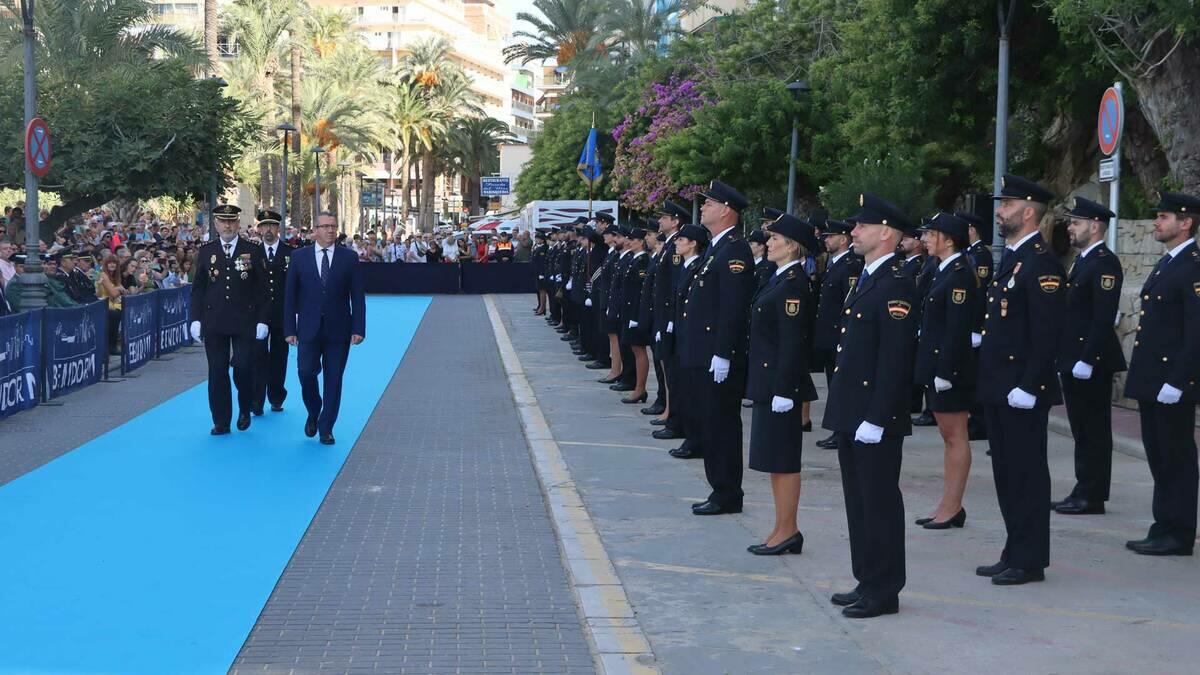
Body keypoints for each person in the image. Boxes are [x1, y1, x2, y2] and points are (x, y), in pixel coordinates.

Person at [823, 192, 915, 619]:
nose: (852, 232)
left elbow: (894, 362)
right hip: (852, 411)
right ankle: (866, 579)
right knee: (858, 503)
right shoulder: (868, 277)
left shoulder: (895, 284)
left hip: (873, 417)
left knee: (878, 504)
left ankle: (884, 589)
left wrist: (877, 418)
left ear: (886, 233)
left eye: (861, 226)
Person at [976, 175, 1066, 585]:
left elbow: (1047, 333)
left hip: (1021, 390)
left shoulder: (1040, 261)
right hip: (1001, 387)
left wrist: (1030, 385)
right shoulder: (1014, 257)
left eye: (1007, 204)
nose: (999, 210)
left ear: (1029, 211)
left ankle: (1029, 559)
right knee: (1007, 474)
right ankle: (1014, 549)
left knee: (1027, 475)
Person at [1122, 191, 1200, 556]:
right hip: (1155, 380)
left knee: (1177, 457)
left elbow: (1196, 330)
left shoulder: (1193, 266)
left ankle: (1179, 531)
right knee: (1159, 455)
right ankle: (1163, 525)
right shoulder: (1169, 262)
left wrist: (1179, 381)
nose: (1156, 221)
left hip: (1172, 383)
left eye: (1164, 216)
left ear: (1186, 222)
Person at [746, 214, 819, 555]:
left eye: (774, 239)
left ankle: (788, 530)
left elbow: (793, 342)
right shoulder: (779, 278)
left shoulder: (793, 284)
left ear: (791, 245)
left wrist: (785, 390)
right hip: (768, 381)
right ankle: (781, 527)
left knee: (785, 460)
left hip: (781, 386)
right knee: (774, 460)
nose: (769, 243)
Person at [681, 180, 755, 516]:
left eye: (709, 204)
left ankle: (727, 493)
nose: (704, 208)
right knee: (710, 422)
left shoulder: (735, 251)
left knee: (721, 424)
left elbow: (733, 307)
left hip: (716, 355)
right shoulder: (717, 247)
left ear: (726, 210)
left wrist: (723, 352)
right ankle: (719, 489)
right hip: (703, 352)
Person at [1051, 197, 1125, 516]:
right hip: (1075, 358)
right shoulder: (1082, 260)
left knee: (1093, 429)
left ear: (1095, 226)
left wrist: (1088, 358)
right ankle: (1083, 488)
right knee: (1081, 428)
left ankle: (1092, 494)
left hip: (1090, 361)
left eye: (1076, 223)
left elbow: (1102, 317)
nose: (1070, 228)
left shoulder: (1104, 262)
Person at [912, 213, 977, 529]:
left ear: (949, 239)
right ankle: (947, 505)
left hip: (950, 370)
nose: (924, 239)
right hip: (936, 365)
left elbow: (957, 328)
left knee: (955, 436)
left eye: (931, 234)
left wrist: (946, 371)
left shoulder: (960, 273)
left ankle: (952, 507)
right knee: (947, 436)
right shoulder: (943, 269)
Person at [283, 211, 366, 445]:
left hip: (339, 329)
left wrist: (358, 327)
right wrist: (289, 328)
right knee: (305, 372)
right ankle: (314, 409)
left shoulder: (349, 258)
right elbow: (290, 295)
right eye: (325, 226)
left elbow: (357, 296)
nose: (331, 230)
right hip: (307, 328)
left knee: (334, 378)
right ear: (315, 230)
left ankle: (326, 427)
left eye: (333, 226)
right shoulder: (299, 257)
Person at [189, 204, 271, 435]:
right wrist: (195, 319)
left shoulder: (252, 250)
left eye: (231, 221)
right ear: (215, 224)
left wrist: (263, 320)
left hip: (245, 320)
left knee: (243, 368)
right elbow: (198, 289)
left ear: (237, 223)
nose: (227, 225)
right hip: (214, 321)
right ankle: (221, 421)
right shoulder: (207, 251)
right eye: (222, 221)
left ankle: (245, 407)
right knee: (217, 372)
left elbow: (263, 290)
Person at [813, 219, 863, 450]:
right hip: (828, 335)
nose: (826, 240)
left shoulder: (851, 265)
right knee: (833, 385)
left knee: (839, 385)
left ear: (844, 239)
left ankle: (842, 430)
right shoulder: (835, 264)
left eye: (830, 236)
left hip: (838, 335)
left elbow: (848, 303)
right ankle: (838, 428)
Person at [666, 223, 709, 459]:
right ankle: (690, 437)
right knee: (683, 386)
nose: (676, 243)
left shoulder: (697, 267)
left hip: (692, 338)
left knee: (692, 393)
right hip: (683, 334)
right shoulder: (686, 267)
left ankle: (694, 440)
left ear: (693, 243)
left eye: (681, 240)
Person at [648, 201, 686, 430]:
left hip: (669, 314)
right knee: (664, 365)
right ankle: (667, 408)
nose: (660, 221)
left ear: (675, 221)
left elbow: (674, 285)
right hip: (661, 313)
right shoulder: (669, 245)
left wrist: (671, 319)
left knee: (671, 369)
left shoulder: (675, 247)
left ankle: (673, 414)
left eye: (664, 218)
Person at [251, 209, 294, 416]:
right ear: (259, 229)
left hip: (281, 314)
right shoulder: (251, 253)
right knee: (257, 357)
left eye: (272, 225)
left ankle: (276, 396)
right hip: (257, 315)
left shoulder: (290, 253)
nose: (268, 230)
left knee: (279, 357)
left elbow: (296, 286)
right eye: (264, 226)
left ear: (278, 228)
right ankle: (256, 400)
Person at [959, 210, 994, 441]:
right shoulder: (969, 253)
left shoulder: (981, 254)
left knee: (977, 378)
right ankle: (975, 419)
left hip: (976, 326)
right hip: (969, 325)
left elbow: (980, 293)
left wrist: (976, 328)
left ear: (971, 229)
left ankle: (980, 422)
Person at [620, 224, 653, 403]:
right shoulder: (634, 259)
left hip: (635, 314)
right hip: (629, 312)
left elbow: (641, 293)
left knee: (639, 351)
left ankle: (640, 388)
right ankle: (637, 387)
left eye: (632, 240)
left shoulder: (642, 262)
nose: (629, 242)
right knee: (633, 349)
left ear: (641, 242)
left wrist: (636, 317)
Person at [531, 230, 549, 315]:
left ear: (542, 239)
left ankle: (542, 308)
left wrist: (542, 273)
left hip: (541, 272)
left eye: (538, 238)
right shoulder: (537, 247)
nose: (537, 240)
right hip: (536, 271)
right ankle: (540, 306)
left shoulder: (544, 248)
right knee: (538, 290)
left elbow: (542, 262)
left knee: (542, 290)